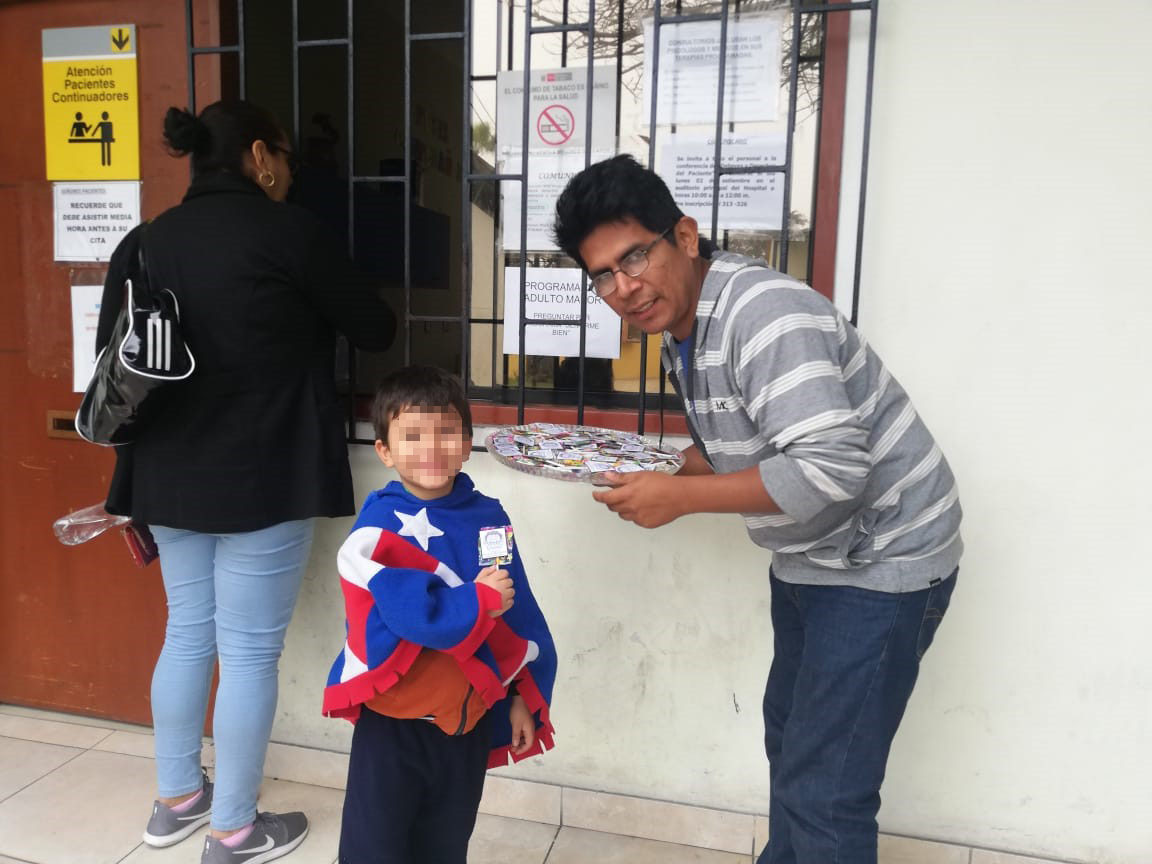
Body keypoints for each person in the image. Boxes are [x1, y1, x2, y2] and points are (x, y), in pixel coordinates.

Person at [553, 154, 961, 864]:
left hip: (882, 555)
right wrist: (658, 469)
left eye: (635, 257)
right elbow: (741, 446)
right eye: (603, 276)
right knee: (792, 742)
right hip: (810, 554)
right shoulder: (683, 326)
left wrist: (678, 498)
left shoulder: (763, 313)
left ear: (685, 236)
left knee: (827, 786)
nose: (624, 287)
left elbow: (831, 467)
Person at [95, 100, 396, 864]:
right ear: (260, 156)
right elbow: (375, 328)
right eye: (285, 158)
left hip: (166, 475)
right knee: (250, 653)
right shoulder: (291, 233)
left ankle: (176, 800)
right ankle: (233, 829)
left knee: (187, 633)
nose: (289, 172)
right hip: (268, 471)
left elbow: (113, 365)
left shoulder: (145, 243)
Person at [322, 365, 556, 864]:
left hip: (466, 721)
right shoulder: (378, 525)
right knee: (373, 849)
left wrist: (520, 693)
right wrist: (476, 602)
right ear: (384, 450)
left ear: (467, 443)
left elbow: (512, 612)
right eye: (412, 436)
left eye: (446, 432)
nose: (431, 447)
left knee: (446, 843)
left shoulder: (488, 519)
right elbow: (405, 615)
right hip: (394, 722)